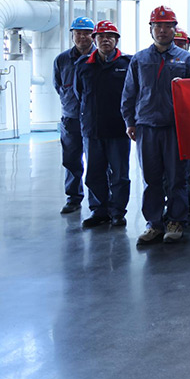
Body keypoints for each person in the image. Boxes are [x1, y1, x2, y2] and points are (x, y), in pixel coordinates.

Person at [121, 6, 190, 245]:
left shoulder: (186, 59)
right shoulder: (140, 59)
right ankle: (154, 223)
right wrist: (130, 121)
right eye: (158, 26)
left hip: (176, 129)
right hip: (147, 127)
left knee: (177, 178)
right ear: (151, 29)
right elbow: (130, 92)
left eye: (167, 26)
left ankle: (176, 221)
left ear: (174, 29)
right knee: (151, 179)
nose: (162, 30)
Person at [74, 20, 132, 229]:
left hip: (118, 130)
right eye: (101, 36)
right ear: (94, 39)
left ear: (116, 40)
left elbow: (133, 94)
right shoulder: (83, 65)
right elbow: (79, 93)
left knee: (119, 175)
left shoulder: (127, 64)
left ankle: (117, 212)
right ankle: (99, 211)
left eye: (110, 36)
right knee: (94, 173)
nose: (105, 40)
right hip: (92, 129)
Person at [54, 16, 95, 214]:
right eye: (78, 33)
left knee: (97, 161)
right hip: (71, 118)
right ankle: (73, 197)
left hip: (94, 118)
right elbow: (58, 85)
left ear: (93, 36)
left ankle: (100, 201)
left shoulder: (100, 57)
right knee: (71, 159)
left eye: (86, 33)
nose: (82, 37)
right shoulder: (62, 60)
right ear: (72, 35)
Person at [174, 28, 190, 225]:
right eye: (176, 43)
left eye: (182, 43)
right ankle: (170, 211)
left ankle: (188, 209)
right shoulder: (148, 59)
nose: (179, 47)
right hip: (163, 125)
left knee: (188, 173)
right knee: (164, 174)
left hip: (188, 126)